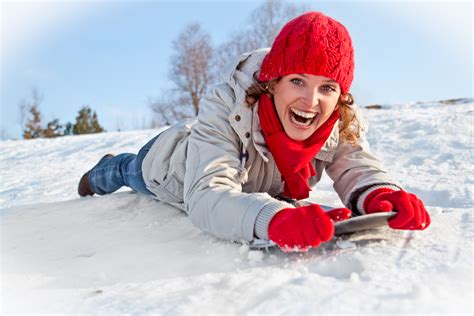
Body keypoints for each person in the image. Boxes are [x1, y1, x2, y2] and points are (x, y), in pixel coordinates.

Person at [78, 12, 430, 252]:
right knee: (128, 169)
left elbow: (354, 163)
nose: (311, 100)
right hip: (172, 168)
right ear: (273, 83)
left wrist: (380, 193)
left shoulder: (337, 120)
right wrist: (274, 220)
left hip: (233, 167)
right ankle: (103, 169)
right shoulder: (226, 105)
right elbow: (207, 197)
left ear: (341, 95)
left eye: (327, 88)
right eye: (297, 81)